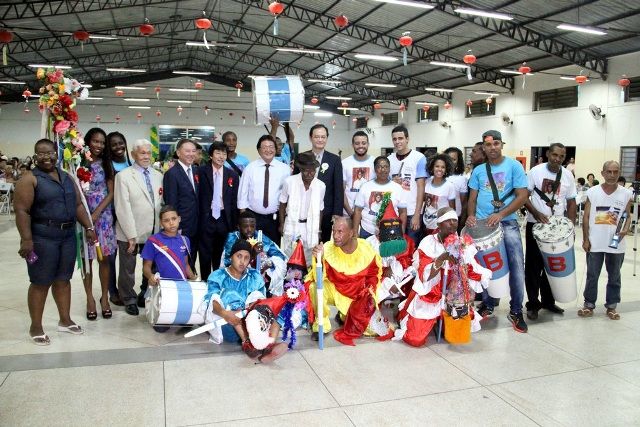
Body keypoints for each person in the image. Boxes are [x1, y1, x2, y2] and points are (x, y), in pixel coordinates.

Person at [14, 138, 96, 345]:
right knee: (40, 282)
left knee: (63, 279)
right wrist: (26, 240)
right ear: (35, 156)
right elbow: (22, 211)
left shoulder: (67, 177)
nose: (46, 157)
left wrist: (88, 226)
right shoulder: (30, 179)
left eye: (50, 153)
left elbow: (78, 205)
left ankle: (65, 320)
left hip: (67, 236)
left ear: (56, 154)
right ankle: (36, 326)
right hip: (43, 237)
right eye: (41, 153)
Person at [395, 208, 491, 347]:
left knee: (454, 336)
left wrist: (463, 261)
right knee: (415, 339)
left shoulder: (462, 243)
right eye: (448, 221)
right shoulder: (428, 242)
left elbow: (472, 270)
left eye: (455, 221)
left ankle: (442, 320)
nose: (452, 224)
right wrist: (441, 259)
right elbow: (424, 275)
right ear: (439, 225)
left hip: (453, 296)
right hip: (430, 295)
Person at [467, 130, 529, 333]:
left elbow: (522, 195)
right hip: (484, 226)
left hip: (508, 223)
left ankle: (516, 309)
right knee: (486, 266)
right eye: (488, 145)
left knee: (516, 265)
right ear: (483, 147)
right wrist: (470, 215)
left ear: (502, 144)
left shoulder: (514, 166)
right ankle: (488, 304)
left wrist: (501, 214)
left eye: (496, 144)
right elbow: (473, 198)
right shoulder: (478, 171)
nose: (492, 148)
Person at [306, 217, 382, 346]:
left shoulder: (366, 249)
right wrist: (318, 258)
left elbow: (374, 277)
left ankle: (343, 316)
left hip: (356, 295)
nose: (335, 236)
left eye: (340, 231)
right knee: (314, 287)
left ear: (351, 233)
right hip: (334, 290)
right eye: (333, 231)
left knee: (371, 330)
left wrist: (368, 299)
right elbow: (317, 276)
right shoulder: (327, 248)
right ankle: (321, 325)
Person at [523, 143, 577, 320]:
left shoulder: (568, 175)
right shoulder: (535, 172)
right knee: (533, 266)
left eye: (561, 157)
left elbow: (571, 203)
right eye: (554, 155)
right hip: (535, 225)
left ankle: (548, 300)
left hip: (557, 228)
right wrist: (536, 213)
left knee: (552, 265)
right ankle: (533, 303)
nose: (557, 159)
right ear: (547, 154)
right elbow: (524, 197)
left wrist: (569, 226)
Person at [114, 139, 164, 316]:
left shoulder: (158, 175)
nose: (146, 156)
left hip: (153, 230)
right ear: (134, 154)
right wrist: (131, 235)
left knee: (150, 265)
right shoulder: (123, 176)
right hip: (130, 231)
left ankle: (144, 293)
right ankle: (128, 298)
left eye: (149, 153)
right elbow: (122, 207)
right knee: (127, 268)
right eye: (142, 153)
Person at [579, 161, 632, 320]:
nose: (612, 175)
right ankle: (589, 304)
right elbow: (586, 217)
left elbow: (627, 216)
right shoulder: (593, 192)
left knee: (614, 276)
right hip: (596, 241)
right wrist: (586, 239)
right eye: (609, 172)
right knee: (592, 275)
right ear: (602, 173)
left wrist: (626, 228)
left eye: (615, 172)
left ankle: (612, 306)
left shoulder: (626, 194)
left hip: (616, 243)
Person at [80, 128, 118, 321]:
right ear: (88, 142)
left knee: (105, 260)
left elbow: (111, 192)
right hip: (82, 214)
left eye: (102, 143)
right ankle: (89, 299)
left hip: (102, 217)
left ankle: (105, 297)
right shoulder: (79, 161)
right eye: (95, 141)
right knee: (87, 261)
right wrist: (86, 216)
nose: (99, 145)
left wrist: (95, 214)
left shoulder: (106, 163)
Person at [141, 205, 197, 331]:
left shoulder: (185, 240)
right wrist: (150, 277)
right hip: (164, 288)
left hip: (182, 287)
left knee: (188, 323)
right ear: (161, 223)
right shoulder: (153, 241)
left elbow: (186, 264)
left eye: (174, 218)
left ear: (179, 219)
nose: (171, 223)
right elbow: (146, 267)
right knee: (162, 328)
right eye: (166, 220)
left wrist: (194, 279)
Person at [198, 141, 240, 279]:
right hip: (206, 217)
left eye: (224, 153)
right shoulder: (201, 172)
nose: (221, 156)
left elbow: (234, 201)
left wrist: (234, 225)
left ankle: (217, 281)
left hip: (224, 219)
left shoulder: (232, 175)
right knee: (204, 254)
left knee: (220, 253)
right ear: (211, 155)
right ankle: (205, 281)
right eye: (218, 153)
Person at [238, 135, 290, 244]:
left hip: (274, 219)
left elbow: (287, 196)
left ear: (276, 149)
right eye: (265, 147)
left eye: (271, 146)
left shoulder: (285, 169)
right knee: (252, 249)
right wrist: (243, 220)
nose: (268, 150)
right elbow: (242, 195)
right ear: (259, 150)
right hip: (253, 219)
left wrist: (283, 221)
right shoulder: (250, 168)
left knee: (273, 251)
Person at [224, 211, 287, 296]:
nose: (249, 229)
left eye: (252, 226)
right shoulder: (233, 238)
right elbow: (228, 262)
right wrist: (251, 257)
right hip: (236, 275)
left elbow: (279, 255)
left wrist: (268, 263)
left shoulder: (259, 236)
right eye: (245, 226)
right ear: (239, 227)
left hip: (258, 274)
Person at [279, 152, 325, 265]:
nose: (310, 173)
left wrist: (319, 229)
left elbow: (321, 209)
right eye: (306, 170)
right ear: (300, 169)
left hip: (310, 226)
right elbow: (282, 204)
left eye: (313, 170)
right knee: (290, 256)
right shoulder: (289, 182)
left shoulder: (321, 186)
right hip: (292, 224)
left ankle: (306, 281)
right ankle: (290, 282)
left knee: (309, 259)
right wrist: (281, 224)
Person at [162, 138, 200, 271]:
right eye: (187, 151)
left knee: (192, 259)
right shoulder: (171, 174)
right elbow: (171, 204)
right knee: (181, 261)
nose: (191, 154)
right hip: (182, 227)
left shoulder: (196, 171)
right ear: (178, 153)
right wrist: (175, 226)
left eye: (193, 151)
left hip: (196, 225)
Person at [105, 131, 132, 306]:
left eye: (121, 143)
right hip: (110, 215)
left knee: (125, 254)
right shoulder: (106, 165)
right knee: (110, 256)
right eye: (114, 144)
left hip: (127, 215)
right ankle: (112, 291)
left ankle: (125, 290)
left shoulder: (130, 164)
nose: (118, 147)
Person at [388, 125, 426, 246]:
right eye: (395, 139)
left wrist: (416, 214)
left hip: (412, 212)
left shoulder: (419, 158)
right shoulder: (389, 159)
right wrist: (391, 182)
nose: (397, 142)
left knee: (411, 246)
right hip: (395, 211)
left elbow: (421, 188)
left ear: (407, 139)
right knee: (396, 246)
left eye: (401, 138)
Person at [306, 124, 343, 243]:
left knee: (323, 244)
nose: (320, 140)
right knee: (304, 243)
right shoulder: (302, 158)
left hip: (326, 212)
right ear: (310, 137)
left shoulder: (334, 160)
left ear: (327, 138)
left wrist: (337, 213)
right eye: (317, 136)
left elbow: (338, 188)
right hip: (305, 210)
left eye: (323, 137)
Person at [353, 156, 406, 239]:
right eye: (380, 167)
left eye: (386, 167)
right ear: (375, 169)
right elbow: (357, 210)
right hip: (367, 231)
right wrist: (355, 233)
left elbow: (403, 212)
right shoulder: (365, 186)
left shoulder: (397, 188)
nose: (383, 170)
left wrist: (401, 232)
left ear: (389, 169)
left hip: (390, 231)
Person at [419, 154, 456, 235]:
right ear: (432, 167)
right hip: (426, 225)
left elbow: (452, 209)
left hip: (441, 227)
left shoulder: (450, 186)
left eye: (443, 167)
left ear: (446, 169)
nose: (440, 169)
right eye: (437, 166)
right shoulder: (427, 182)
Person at [342, 131, 375, 217]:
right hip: (348, 214)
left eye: (364, 143)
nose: (361, 146)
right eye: (357, 143)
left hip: (369, 215)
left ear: (368, 144)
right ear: (352, 145)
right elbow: (341, 191)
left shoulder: (375, 162)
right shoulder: (345, 163)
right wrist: (350, 212)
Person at [444, 147, 469, 228]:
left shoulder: (461, 179)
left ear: (458, 162)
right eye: (448, 159)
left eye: (454, 159)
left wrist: (462, 221)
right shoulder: (438, 176)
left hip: (455, 218)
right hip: (439, 218)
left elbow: (464, 203)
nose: (450, 162)